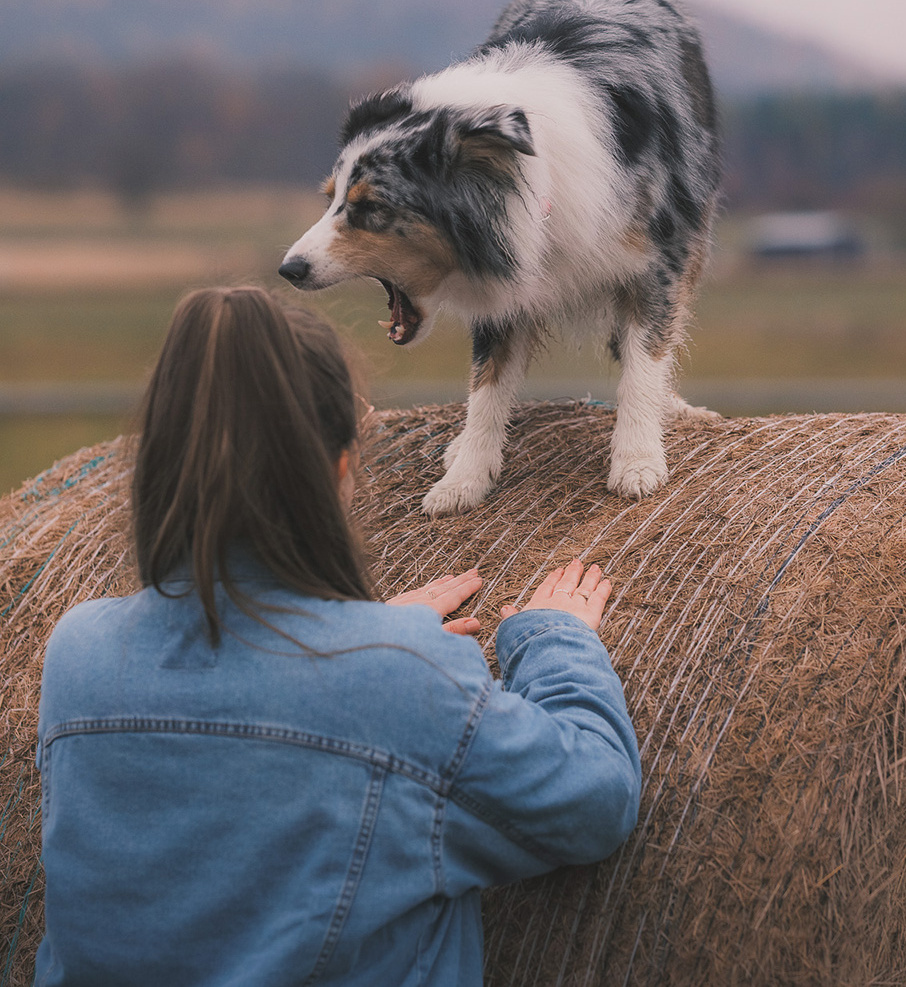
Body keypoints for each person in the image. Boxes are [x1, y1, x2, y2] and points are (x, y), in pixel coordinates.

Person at [35, 285, 642, 987]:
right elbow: (595, 801)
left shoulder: (77, 654)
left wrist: (373, 636)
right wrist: (554, 638)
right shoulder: (398, 679)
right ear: (339, 467)